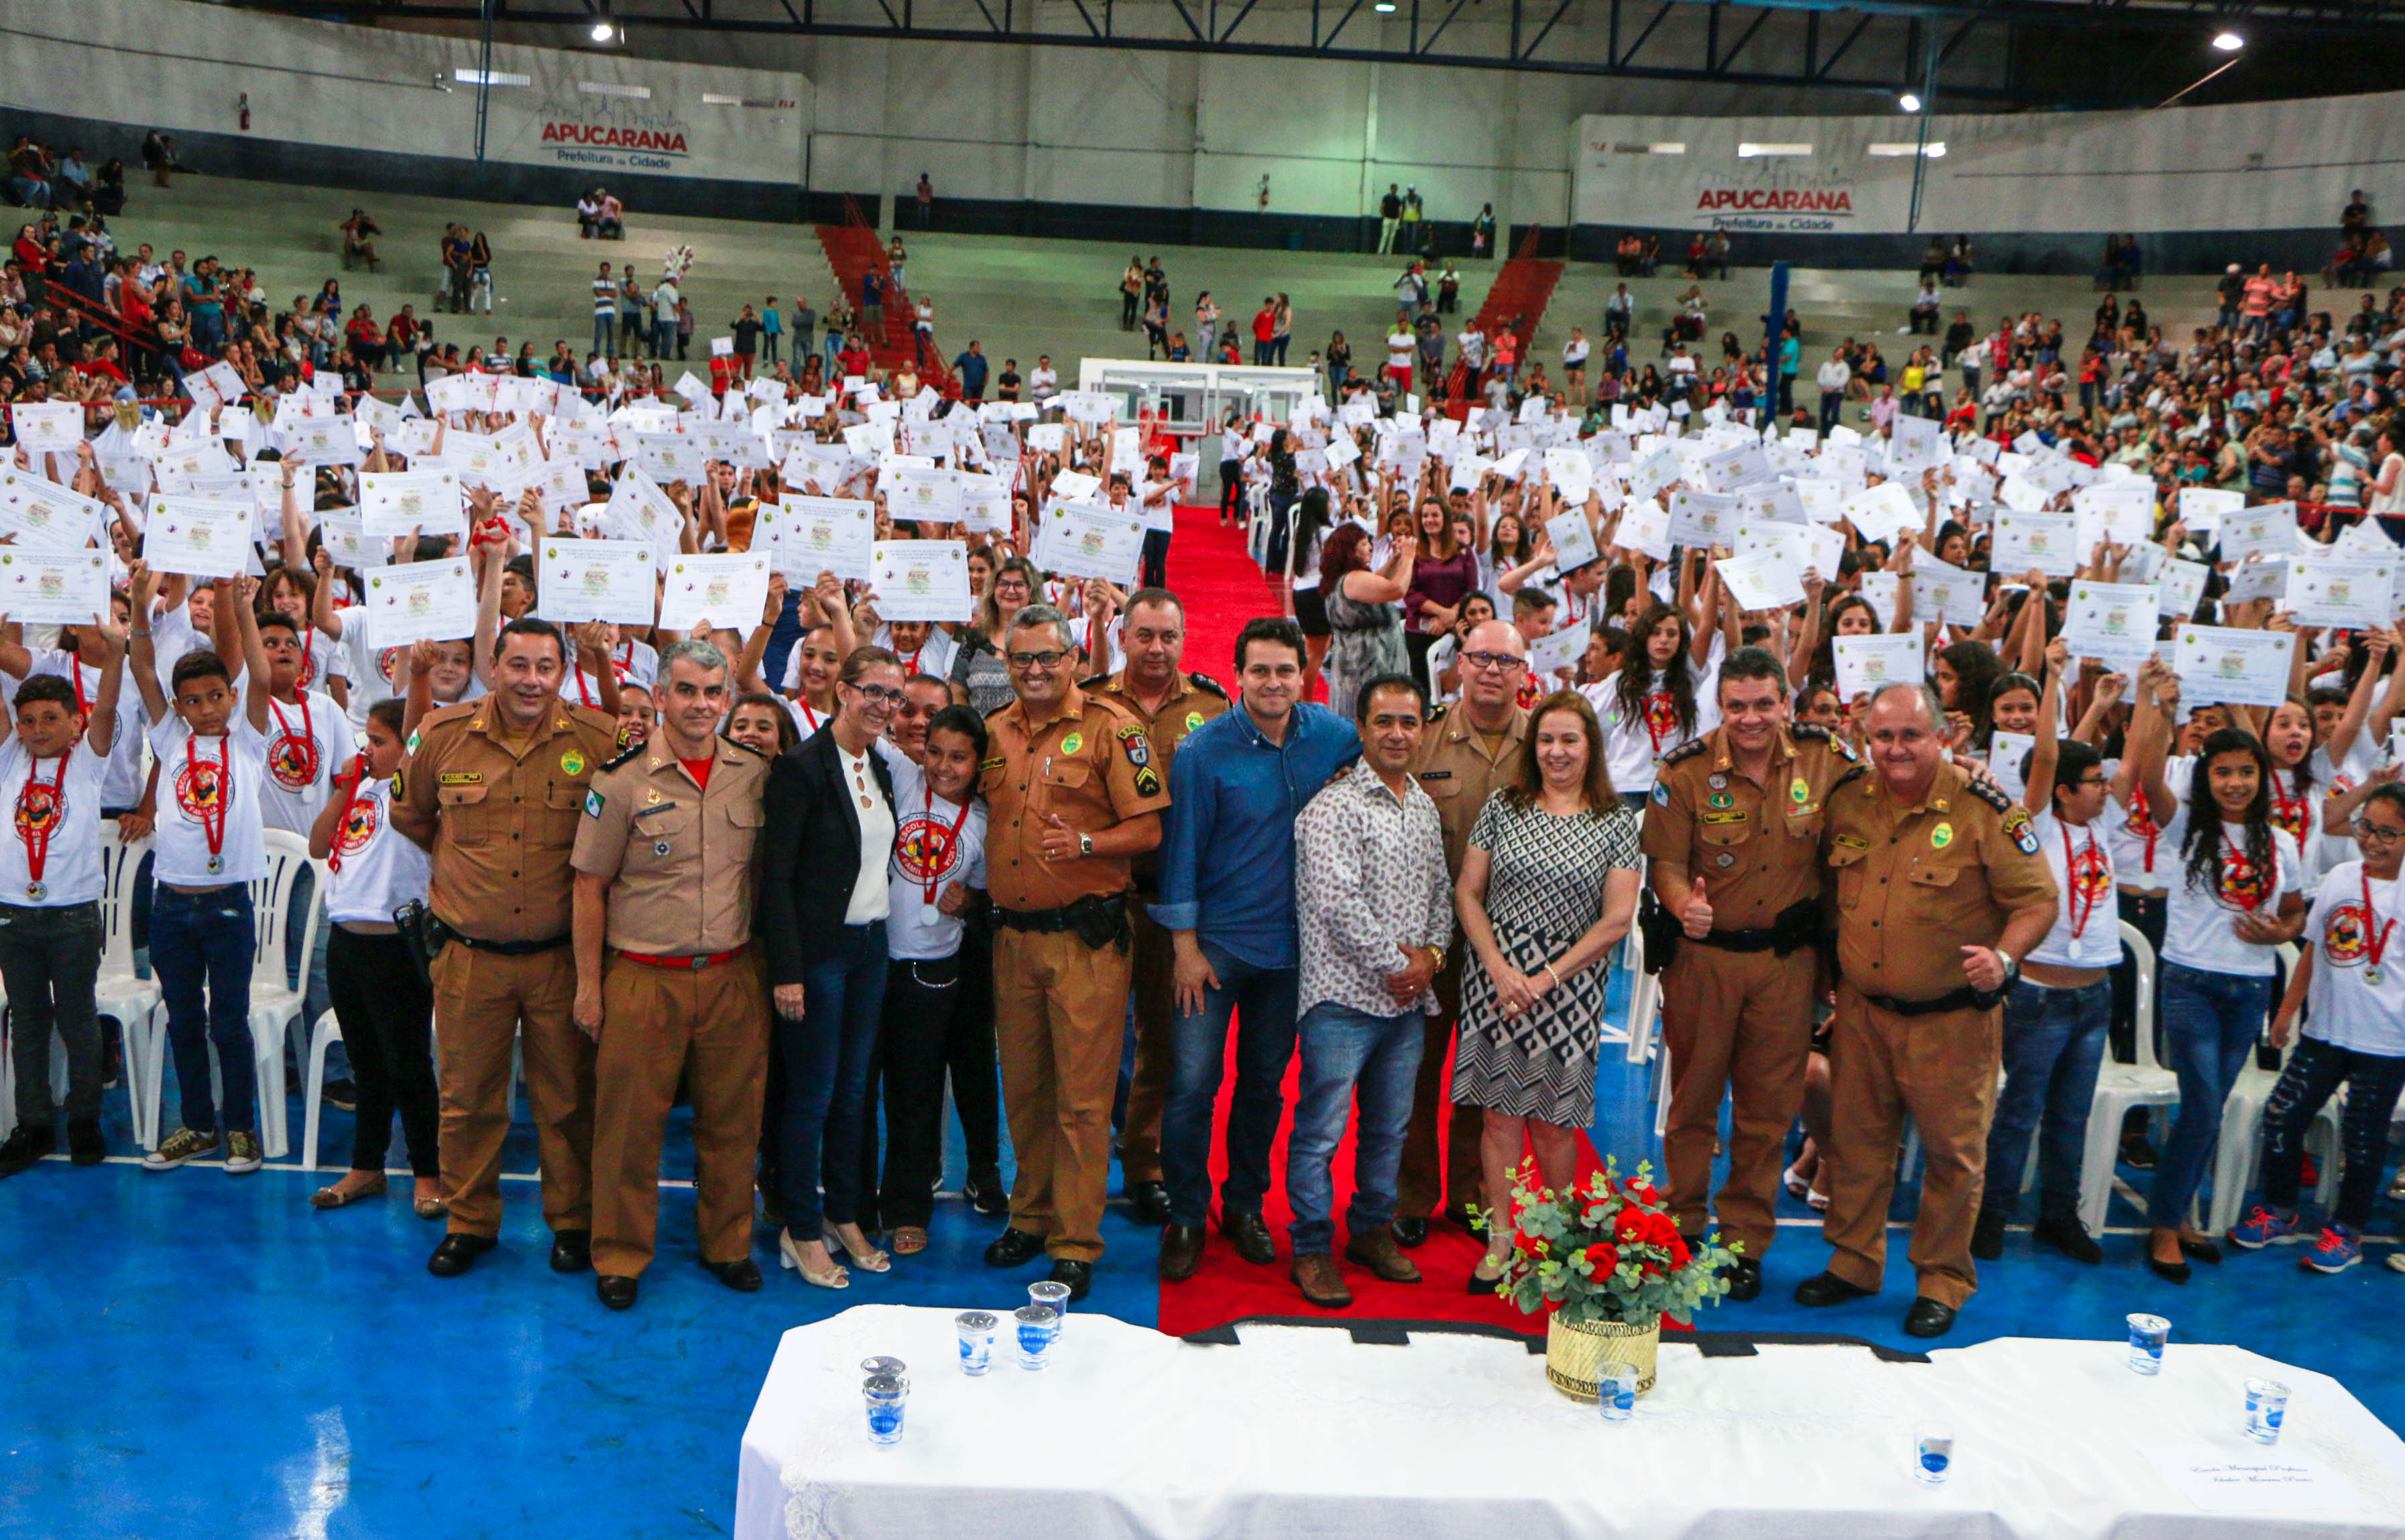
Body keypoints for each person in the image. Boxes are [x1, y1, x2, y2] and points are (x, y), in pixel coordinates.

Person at [1795, 683, 2056, 1338]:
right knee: (1856, 1147)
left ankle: (1941, 1280)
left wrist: (2003, 957)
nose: (1895, 749)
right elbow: (1829, 889)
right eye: (1882, 736)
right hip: (1861, 1014)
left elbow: (2037, 900)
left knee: (1951, 1157)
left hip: (1952, 1021)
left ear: (1942, 736)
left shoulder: (1983, 808)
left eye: (1910, 734)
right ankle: (1854, 1262)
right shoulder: (1848, 798)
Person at [396, 617, 620, 1279]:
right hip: (469, 955)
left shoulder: (597, 738)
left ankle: (572, 1222)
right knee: (468, 1099)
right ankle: (470, 1221)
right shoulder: (441, 735)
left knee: (568, 1099)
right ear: (492, 667)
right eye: (517, 665)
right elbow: (411, 815)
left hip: (561, 959)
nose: (531, 680)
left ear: (561, 671)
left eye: (544, 667)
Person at [1639, 646, 1858, 1298]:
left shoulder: (1828, 763)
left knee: (1765, 1112)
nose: (1750, 718)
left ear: (1785, 703)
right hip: (1702, 962)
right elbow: (1666, 863)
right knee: (1693, 1104)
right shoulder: (1683, 770)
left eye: (1763, 703)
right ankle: (1680, 1226)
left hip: (1785, 965)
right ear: (1720, 706)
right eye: (1735, 705)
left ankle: (1743, 1242)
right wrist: (1684, 904)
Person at [1152, 618, 1359, 1280]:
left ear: (1304, 674)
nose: (1273, 683)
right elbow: (1178, 855)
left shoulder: (1332, 738)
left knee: (1263, 1085)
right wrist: (1184, 948)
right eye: (1259, 670)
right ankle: (1185, 1212)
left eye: (1284, 671)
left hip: (1292, 952)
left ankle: (1241, 1205)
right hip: (1212, 952)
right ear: (1237, 674)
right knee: (1190, 1086)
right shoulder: (1202, 752)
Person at [978, 605, 1171, 1302]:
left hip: (1085, 941)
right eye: (1021, 658)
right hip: (1011, 940)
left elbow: (1148, 829)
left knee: (1083, 1100)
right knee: (1025, 1089)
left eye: (1047, 657)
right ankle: (1028, 1217)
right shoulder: (993, 730)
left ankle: (1074, 1240)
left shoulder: (1114, 728)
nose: (1034, 670)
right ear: (1007, 663)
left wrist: (1087, 844)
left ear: (1072, 657)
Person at [569, 641, 771, 1310]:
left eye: (713, 692)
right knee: (628, 1125)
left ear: (727, 698)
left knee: (732, 1122)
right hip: (643, 975)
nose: (700, 703)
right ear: (660, 695)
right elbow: (589, 886)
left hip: (730, 975)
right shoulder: (620, 780)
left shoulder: (753, 773)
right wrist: (590, 986)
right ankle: (621, 1253)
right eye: (686, 690)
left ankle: (727, 1244)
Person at [1455, 691, 1643, 1292]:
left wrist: (1544, 977)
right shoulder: (1502, 806)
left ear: (1590, 747)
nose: (1556, 751)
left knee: (1556, 1124)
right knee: (1499, 1118)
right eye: (1545, 739)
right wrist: (1498, 968)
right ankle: (1502, 1241)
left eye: (1569, 740)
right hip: (1495, 982)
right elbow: (1467, 892)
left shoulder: (1614, 821)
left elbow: (1616, 919)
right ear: (1531, 746)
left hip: (1570, 984)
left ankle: (1563, 1241)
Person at [1285, 672, 1453, 1307]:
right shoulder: (1333, 806)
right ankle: (1309, 1247)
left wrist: (1432, 957)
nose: (1397, 733)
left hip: (1407, 1002)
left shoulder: (1423, 804)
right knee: (1321, 1130)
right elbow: (1336, 903)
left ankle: (1371, 1231)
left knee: (1390, 1128)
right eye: (1384, 721)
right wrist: (1398, 965)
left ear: (1422, 729)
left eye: (1408, 722)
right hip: (1342, 1001)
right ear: (1360, 728)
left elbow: (1442, 891)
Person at [2132, 713, 2307, 1283]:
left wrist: (2282, 934)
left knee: (2208, 1108)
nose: (2235, 782)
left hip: (2250, 988)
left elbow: (2294, 912)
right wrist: (2156, 707)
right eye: (2223, 772)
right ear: (2204, 778)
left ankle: (2178, 1214)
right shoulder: (2185, 826)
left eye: (2245, 771)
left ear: (2262, 776)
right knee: (2203, 1106)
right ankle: (2163, 1224)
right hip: (2191, 984)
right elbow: (2149, 776)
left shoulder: (2280, 841)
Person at [758, 646, 904, 1290]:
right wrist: (786, 970)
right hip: (816, 957)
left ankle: (844, 1213)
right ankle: (801, 1226)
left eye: (892, 697)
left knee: (852, 1094)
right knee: (811, 1097)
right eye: (872, 691)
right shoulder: (799, 769)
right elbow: (776, 877)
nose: (882, 706)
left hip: (870, 950)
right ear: (842, 692)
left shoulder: (879, 766)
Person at [1086, 591, 1231, 1226]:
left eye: (1167, 637)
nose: (1156, 649)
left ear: (1184, 638)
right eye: (1144, 635)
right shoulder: (1087, 700)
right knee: (1086, 1038)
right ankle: (1084, 1165)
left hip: (1171, 904)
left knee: (1161, 1043)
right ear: (1122, 635)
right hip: (1095, 896)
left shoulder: (1213, 706)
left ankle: (1144, 1164)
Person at [128, 570, 276, 1176]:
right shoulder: (168, 739)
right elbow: (142, 669)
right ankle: (197, 1123)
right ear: (179, 706)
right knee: (184, 1017)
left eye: (216, 696)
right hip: (171, 906)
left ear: (231, 698)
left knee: (230, 1021)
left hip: (228, 906)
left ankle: (242, 1128)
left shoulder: (249, 742)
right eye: (192, 700)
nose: (206, 708)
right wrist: (139, 604)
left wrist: (242, 608)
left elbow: (261, 675)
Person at [1971, 644, 2112, 1265]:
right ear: (2061, 792)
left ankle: (2059, 1215)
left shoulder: (2100, 826)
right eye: (2096, 783)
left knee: (2071, 1114)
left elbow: (2121, 761)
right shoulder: (2038, 826)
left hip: (2093, 996)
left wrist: (2150, 704)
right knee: (2019, 1110)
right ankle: (1992, 1213)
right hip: (2039, 997)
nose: (2107, 790)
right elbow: (2051, 754)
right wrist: (2054, 677)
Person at [1392, 618, 1530, 1246]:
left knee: (1487, 1073)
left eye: (1506, 661)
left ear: (1524, 671)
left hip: (1515, 944)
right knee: (1417, 1071)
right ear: (1459, 664)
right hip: (1433, 936)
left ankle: (1474, 1197)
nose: (1492, 671)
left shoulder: (1548, 742)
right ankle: (1413, 1196)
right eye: (1481, 658)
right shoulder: (1423, 738)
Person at [2229, 782, 2405, 1274]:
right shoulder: (2340, 877)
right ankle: (2281, 1210)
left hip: (2386, 1040)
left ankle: (2346, 1231)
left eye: (2387, 833)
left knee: (2363, 1137)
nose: (2371, 840)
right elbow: (2311, 949)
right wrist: (2287, 1010)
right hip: (2324, 1030)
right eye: (2364, 826)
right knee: (2282, 1115)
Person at [304, 698, 443, 1218]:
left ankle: (427, 1172)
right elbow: (319, 846)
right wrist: (344, 789)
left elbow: (415, 737)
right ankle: (367, 1166)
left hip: (396, 944)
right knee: (366, 1063)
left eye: (379, 741)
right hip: (347, 940)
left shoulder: (412, 792)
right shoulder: (359, 789)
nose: (368, 749)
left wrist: (416, 667)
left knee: (408, 1063)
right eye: (366, 739)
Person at [0, 630, 125, 1177]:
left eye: (51, 718)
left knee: (78, 1021)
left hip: (73, 914)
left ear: (77, 721)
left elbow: (111, 704)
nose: (37, 730)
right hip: (11, 914)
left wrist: (117, 651)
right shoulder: (8, 757)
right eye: (28, 720)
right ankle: (32, 1124)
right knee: (27, 1024)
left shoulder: (87, 761)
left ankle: (83, 1120)